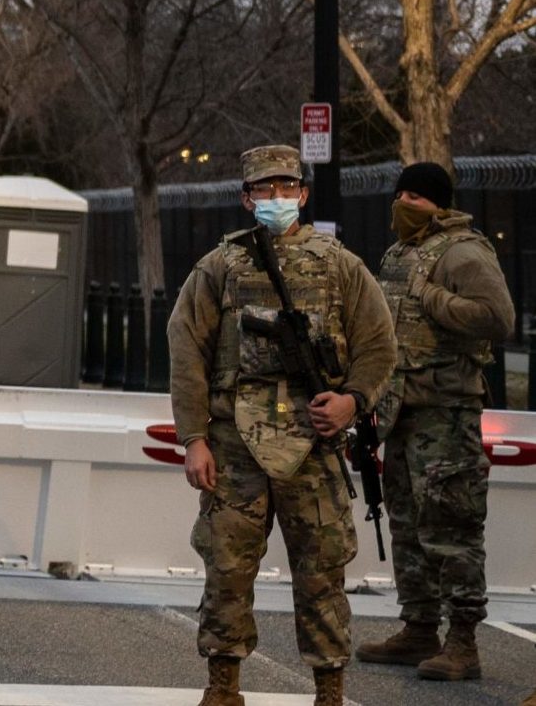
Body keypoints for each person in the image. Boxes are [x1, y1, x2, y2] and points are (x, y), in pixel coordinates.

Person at [166, 145, 395, 706]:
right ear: (246, 198)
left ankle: (330, 693)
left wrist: (351, 402)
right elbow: (186, 350)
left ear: (303, 193)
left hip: (313, 447)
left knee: (321, 576)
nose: (276, 198)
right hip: (234, 445)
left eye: (286, 187)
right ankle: (222, 689)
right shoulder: (219, 267)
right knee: (226, 571)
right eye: (264, 190)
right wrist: (194, 438)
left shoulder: (341, 265)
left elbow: (380, 346)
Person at [355, 162, 516, 682]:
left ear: (438, 204)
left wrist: (435, 299)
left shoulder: (464, 252)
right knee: (407, 526)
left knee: (451, 528)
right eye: (399, 193)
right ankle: (419, 627)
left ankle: (462, 642)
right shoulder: (400, 253)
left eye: (415, 197)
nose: (403, 203)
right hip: (401, 411)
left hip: (446, 413)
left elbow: (498, 317)